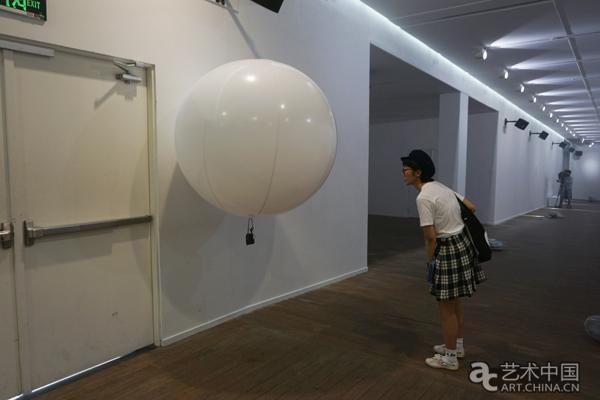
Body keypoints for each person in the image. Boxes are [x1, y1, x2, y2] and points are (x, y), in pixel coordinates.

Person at [401, 149, 486, 371]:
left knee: (446, 308)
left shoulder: (423, 197)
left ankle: (449, 358)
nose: (403, 173)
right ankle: (457, 347)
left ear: (417, 173)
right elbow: (471, 206)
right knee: (455, 303)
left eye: (406, 170)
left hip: (447, 249)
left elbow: (430, 237)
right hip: (462, 243)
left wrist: (431, 263)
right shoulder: (440, 186)